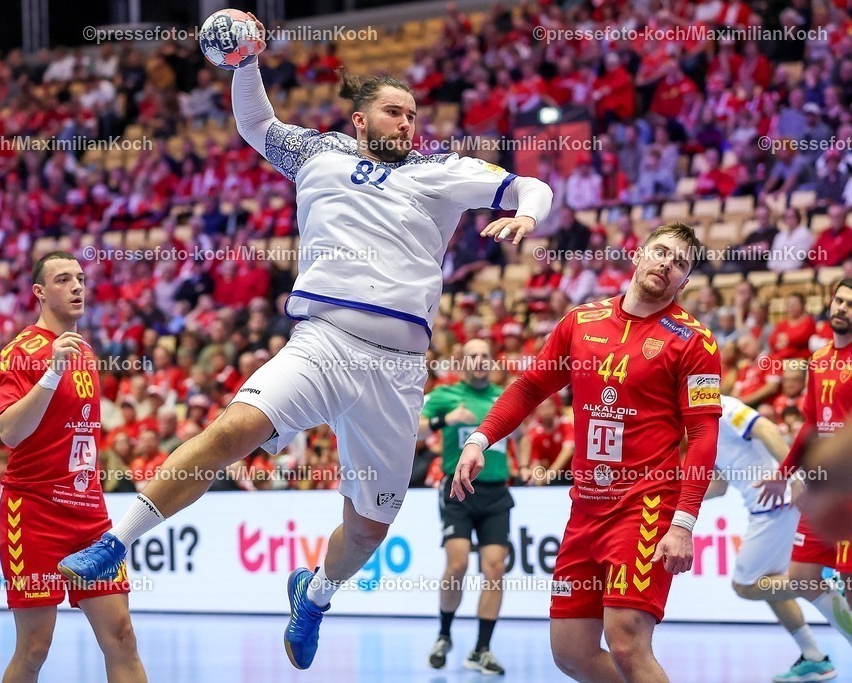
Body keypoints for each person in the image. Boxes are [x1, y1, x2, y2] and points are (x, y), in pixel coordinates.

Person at [59, 11, 552, 672]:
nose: (408, 124)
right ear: (360, 120)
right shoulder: (319, 154)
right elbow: (257, 126)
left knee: (367, 530)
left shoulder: (438, 175)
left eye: (413, 115)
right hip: (321, 340)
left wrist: (524, 213)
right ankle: (113, 542)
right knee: (232, 430)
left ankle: (314, 594)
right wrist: (246, 65)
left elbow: (531, 182)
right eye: (394, 113)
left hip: (398, 369)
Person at [452, 222, 722, 683]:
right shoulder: (582, 321)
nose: (666, 264)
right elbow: (531, 386)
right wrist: (480, 439)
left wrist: (684, 523)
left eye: (680, 262)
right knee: (571, 653)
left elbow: (702, 435)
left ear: (686, 281)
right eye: (661, 252)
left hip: (647, 504)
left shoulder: (694, 340)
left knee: (625, 641)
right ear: (637, 255)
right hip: (585, 509)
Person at [0, 251, 146, 683]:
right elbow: (9, 431)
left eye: (80, 278)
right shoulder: (20, 352)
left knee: (121, 635)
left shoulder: (85, 351)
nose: (77, 286)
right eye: (63, 280)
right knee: (35, 647)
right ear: (40, 292)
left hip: (89, 518)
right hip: (34, 511)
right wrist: (50, 372)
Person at [755, 280, 852, 681]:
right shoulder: (818, 359)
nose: (843, 307)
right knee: (801, 577)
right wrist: (783, 474)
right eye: (840, 299)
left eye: (851, 304)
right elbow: (812, 425)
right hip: (820, 484)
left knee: (848, 583)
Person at [705, 395, 837, 682]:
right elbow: (719, 486)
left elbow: (765, 428)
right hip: (768, 506)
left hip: (776, 502)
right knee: (769, 582)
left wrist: (792, 478)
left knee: (746, 586)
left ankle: (826, 583)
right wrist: (672, 498)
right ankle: (814, 657)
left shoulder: (720, 404)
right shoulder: (698, 426)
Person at [419, 338, 512, 675]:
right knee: (457, 564)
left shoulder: (504, 397)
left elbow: (523, 432)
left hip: (496, 493)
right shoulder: (445, 395)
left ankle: (481, 650)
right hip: (458, 490)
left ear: (492, 361)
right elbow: (412, 430)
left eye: (484, 355)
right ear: (462, 360)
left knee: (495, 569)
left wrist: (528, 463)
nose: (479, 360)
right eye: (472, 355)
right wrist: (447, 419)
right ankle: (444, 635)